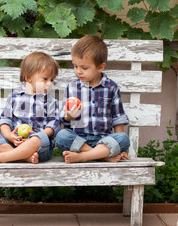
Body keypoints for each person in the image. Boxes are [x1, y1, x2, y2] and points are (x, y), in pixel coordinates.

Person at [56, 35, 131, 163]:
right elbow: (66, 122)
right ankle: (101, 156)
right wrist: (70, 116)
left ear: (100, 67)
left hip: (103, 141)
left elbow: (118, 118)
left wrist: (119, 146)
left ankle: (83, 157)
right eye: (75, 66)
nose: (78, 71)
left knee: (123, 138)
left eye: (84, 68)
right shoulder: (72, 87)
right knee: (61, 136)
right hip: (79, 141)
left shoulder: (111, 87)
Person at [0, 52, 60, 164]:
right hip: (15, 143)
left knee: (41, 138)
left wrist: (35, 137)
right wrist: (9, 135)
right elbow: (5, 119)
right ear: (28, 77)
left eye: (52, 80)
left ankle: (1, 157)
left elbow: (54, 124)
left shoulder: (51, 101)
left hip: (38, 148)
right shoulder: (14, 97)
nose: (49, 84)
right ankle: (25, 158)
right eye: (45, 79)